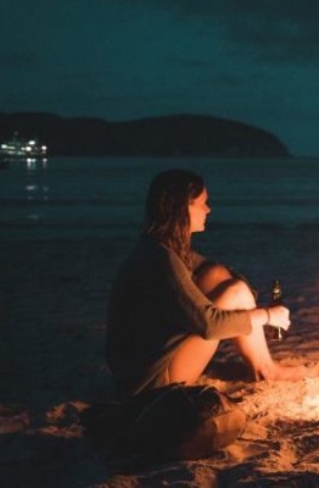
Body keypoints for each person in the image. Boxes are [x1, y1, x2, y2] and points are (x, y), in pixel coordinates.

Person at [106, 169, 306, 397]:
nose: (208, 210)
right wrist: (268, 316)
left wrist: (242, 294)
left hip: (139, 368)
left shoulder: (160, 247)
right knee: (236, 292)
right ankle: (266, 370)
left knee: (216, 274)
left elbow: (225, 275)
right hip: (151, 383)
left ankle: (263, 366)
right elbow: (210, 326)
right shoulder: (162, 260)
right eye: (202, 203)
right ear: (182, 208)